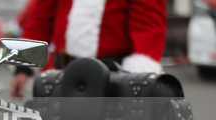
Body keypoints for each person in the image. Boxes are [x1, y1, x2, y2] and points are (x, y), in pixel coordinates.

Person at [11, 0, 167, 97]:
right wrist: (22, 68)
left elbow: (148, 29)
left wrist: (136, 81)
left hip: (112, 79)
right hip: (61, 74)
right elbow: (41, 20)